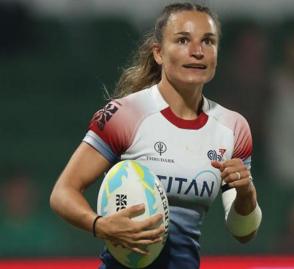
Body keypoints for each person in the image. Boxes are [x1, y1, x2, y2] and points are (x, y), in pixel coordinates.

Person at [50, 3, 262, 269]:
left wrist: (246, 194)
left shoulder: (233, 128)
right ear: (159, 53)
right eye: (183, 40)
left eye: (208, 41)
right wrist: (100, 225)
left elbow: (244, 232)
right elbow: (62, 193)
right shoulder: (124, 115)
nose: (197, 51)